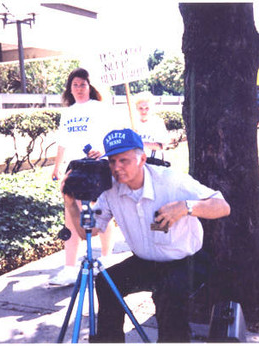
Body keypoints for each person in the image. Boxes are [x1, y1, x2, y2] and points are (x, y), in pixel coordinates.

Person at [61, 128, 231, 342]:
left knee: (169, 295)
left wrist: (186, 207)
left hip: (186, 261)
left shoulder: (171, 181)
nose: (117, 168)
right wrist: (71, 205)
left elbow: (223, 206)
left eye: (124, 160)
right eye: (112, 161)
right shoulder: (111, 189)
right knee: (105, 282)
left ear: (142, 158)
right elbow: (91, 230)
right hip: (146, 261)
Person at [50, 68, 120, 286]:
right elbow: (62, 142)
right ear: (69, 89)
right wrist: (56, 167)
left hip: (96, 167)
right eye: (74, 85)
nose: (79, 88)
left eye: (82, 84)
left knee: (100, 214)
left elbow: (112, 135)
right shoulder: (67, 112)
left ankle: (107, 259)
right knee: (71, 217)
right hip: (74, 169)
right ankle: (69, 268)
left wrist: (103, 150)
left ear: (90, 86)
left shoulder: (100, 108)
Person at [133, 91, 170, 158]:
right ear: (136, 108)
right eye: (140, 108)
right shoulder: (132, 123)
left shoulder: (157, 123)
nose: (144, 111)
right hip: (136, 162)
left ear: (151, 108)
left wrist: (141, 144)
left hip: (154, 163)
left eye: (147, 108)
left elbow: (162, 145)